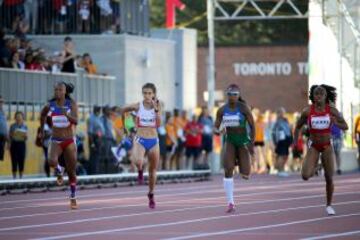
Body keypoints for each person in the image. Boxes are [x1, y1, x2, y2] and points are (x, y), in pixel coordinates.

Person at [294, 84, 348, 216]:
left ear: (325, 96)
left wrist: (335, 123)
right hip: (314, 146)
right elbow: (297, 127)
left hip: (327, 146)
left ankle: (329, 205)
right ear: (313, 96)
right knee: (305, 175)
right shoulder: (307, 111)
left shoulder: (332, 111)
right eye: (316, 94)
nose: (318, 96)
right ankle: (317, 168)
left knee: (329, 177)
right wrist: (295, 142)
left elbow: (345, 126)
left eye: (321, 94)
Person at [214, 84, 255, 213]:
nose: (232, 97)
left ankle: (241, 161)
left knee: (246, 174)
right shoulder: (221, 110)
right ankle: (230, 202)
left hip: (242, 141)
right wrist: (217, 131)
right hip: (230, 140)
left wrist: (251, 143)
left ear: (238, 95)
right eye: (230, 94)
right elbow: (216, 126)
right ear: (227, 95)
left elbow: (253, 126)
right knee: (228, 169)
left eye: (235, 94)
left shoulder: (244, 108)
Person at [120, 83, 161, 209]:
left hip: (153, 140)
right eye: (145, 93)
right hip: (140, 138)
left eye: (149, 93)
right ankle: (140, 170)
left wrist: (156, 110)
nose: (147, 95)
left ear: (153, 94)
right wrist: (125, 127)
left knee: (153, 170)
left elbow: (158, 124)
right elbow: (123, 110)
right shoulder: (138, 106)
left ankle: (151, 194)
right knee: (138, 160)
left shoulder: (158, 106)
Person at [39, 82, 79, 209]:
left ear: (65, 91)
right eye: (55, 90)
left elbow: (76, 121)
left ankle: (73, 196)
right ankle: (59, 170)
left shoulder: (71, 104)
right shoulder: (50, 105)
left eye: (60, 90)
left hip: (69, 140)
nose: (57, 92)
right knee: (51, 161)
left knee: (72, 171)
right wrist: (42, 130)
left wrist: (66, 114)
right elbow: (42, 115)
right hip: (55, 139)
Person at [272, 107, 293, 177]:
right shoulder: (277, 122)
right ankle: (280, 170)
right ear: (278, 113)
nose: (282, 114)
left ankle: (281, 168)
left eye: (283, 112)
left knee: (285, 155)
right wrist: (275, 141)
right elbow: (274, 132)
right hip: (280, 140)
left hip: (287, 139)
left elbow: (288, 130)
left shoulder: (285, 120)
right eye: (281, 112)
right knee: (281, 155)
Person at [9, 111, 28, 179]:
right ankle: (14, 176)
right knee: (14, 160)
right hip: (14, 144)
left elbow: (26, 137)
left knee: (21, 159)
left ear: (22, 118)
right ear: (15, 118)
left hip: (22, 144)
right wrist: (13, 134)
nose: (19, 118)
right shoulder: (12, 126)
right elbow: (10, 136)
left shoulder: (25, 126)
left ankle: (21, 176)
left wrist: (25, 135)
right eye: (17, 116)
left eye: (20, 116)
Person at [0, 96, 8, 162]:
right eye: (0, 102)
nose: (1, 103)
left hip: (3, 137)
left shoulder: (3, 111)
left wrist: (7, 136)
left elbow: (4, 124)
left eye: (2, 102)